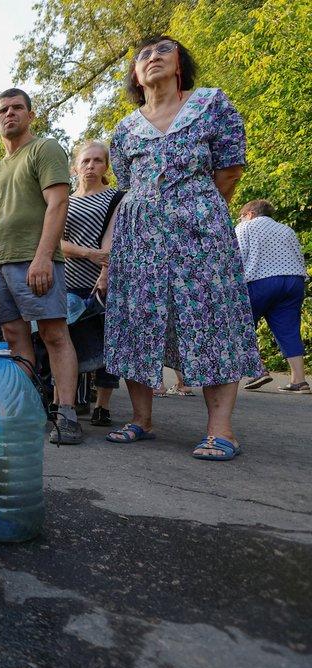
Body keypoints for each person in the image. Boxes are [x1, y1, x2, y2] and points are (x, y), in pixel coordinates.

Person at [104, 36, 261, 460]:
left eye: (163, 51)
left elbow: (229, 169)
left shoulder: (211, 104)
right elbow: (128, 183)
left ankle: (221, 430)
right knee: (137, 318)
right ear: (136, 76)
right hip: (139, 239)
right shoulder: (125, 128)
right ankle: (141, 419)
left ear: (179, 65)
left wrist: (195, 209)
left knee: (211, 316)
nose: (152, 57)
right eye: (143, 55)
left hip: (200, 231)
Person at [0, 88, 83, 444]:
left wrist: (43, 256)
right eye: (3, 110)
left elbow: (58, 203)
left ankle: (67, 415)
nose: (10, 114)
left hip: (35, 261)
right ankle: (27, 411)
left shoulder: (44, 149)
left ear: (30, 115)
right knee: (13, 338)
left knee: (54, 334)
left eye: (17, 108)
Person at [60, 141, 123, 425]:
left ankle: (102, 406)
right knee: (68, 343)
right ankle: (67, 402)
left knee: (106, 345)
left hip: (103, 282)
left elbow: (115, 240)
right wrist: (89, 254)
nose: (91, 166)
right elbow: (56, 242)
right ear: (75, 167)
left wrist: (104, 271)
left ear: (106, 166)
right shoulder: (65, 201)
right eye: (85, 161)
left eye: (97, 161)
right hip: (68, 281)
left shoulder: (116, 198)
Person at [235, 199, 309, 394]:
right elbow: (298, 256)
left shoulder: (245, 227)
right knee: (289, 329)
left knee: (240, 324)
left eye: (241, 216)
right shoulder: (286, 230)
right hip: (293, 281)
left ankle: (258, 370)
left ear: (250, 214)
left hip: (261, 281)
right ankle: (299, 381)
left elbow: (237, 257)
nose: (240, 220)